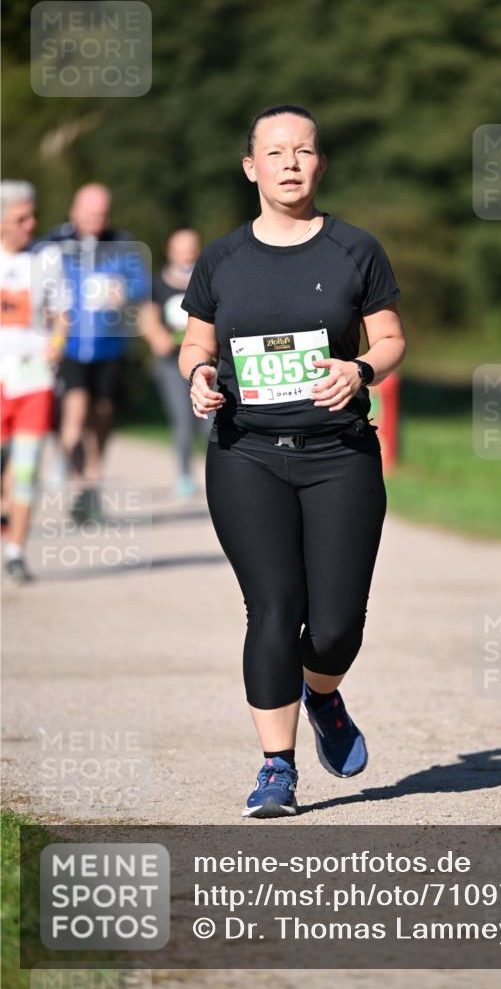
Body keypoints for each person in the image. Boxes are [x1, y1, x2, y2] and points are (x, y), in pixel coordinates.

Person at [179, 104, 406, 818]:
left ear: (319, 164)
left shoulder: (355, 249)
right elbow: (195, 344)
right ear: (250, 167)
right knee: (272, 609)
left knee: (335, 624)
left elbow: (391, 337)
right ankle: (275, 768)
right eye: (273, 152)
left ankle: (324, 693)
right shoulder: (222, 258)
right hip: (244, 454)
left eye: (302, 151)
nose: (287, 162)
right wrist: (198, 377)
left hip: (338, 454)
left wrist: (361, 371)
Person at [43, 183, 149, 522]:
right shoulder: (55, 243)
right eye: (90, 214)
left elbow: (141, 284)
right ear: (75, 211)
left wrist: (126, 292)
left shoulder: (122, 243)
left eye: (102, 215)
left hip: (110, 345)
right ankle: (78, 487)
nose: (96, 221)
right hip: (70, 346)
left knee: (102, 414)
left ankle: (92, 477)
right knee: (74, 411)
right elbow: (36, 283)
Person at [0, 180, 69, 583]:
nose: (32, 224)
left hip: (34, 380)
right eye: (20, 218)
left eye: (32, 215)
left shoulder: (48, 260)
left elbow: (62, 314)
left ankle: (15, 552)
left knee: (26, 469)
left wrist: (56, 344)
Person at [139, 228, 212, 497]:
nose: (186, 254)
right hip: (171, 363)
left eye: (190, 248)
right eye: (180, 249)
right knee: (181, 421)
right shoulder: (156, 283)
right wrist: (158, 336)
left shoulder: (207, 279)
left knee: (210, 422)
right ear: (170, 251)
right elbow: (148, 318)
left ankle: (213, 473)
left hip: (205, 362)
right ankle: (184, 475)